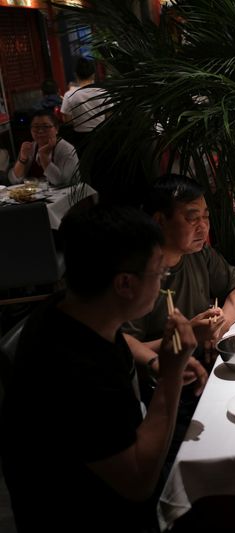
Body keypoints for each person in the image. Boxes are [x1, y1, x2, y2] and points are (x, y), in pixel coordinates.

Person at [0, 205, 197, 532]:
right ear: (124, 284)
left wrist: (156, 361)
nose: (164, 281)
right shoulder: (71, 368)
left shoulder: (69, 309)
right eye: (158, 273)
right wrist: (171, 375)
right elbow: (138, 483)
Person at [124, 174, 235, 373]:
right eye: (192, 218)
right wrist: (186, 335)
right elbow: (122, 349)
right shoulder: (139, 273)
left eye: (206, 216)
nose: (203, 226)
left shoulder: (199, 253)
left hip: (206, 367)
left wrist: (218, 328)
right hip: (164, 381)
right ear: (159, 221)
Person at [8, 109, 79, 187]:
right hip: (34, 195)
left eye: (46, 126)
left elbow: (63, 182)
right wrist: (22, 158)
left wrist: (43, 156)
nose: (40, 131)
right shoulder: (30, 148)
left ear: (56, 129)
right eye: (36, 127)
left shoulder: (66, 149)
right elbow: (14, 180)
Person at [60, 57, 110, 155]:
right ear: (93, 75)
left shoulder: (69, 95)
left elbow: (67, 120)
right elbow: (109, 116)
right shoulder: (103, 92)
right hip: (102, 136)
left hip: (80, 138)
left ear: (76, 75)